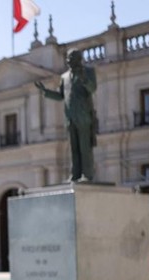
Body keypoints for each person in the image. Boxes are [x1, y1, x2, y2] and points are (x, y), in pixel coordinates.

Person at [35, 48, 98, 182]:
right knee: (73, 149)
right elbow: (61, 95)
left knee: (85, 147)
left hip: (84, 116)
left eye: (71, 59)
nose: (68, 61)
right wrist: (45, 92)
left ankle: (87, 174)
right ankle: (75, 174)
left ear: (78, 60)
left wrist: (84, 79)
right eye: (68, 59)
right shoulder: (64, 77)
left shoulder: (88, 72)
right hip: (70, 117)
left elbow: (92, 88)